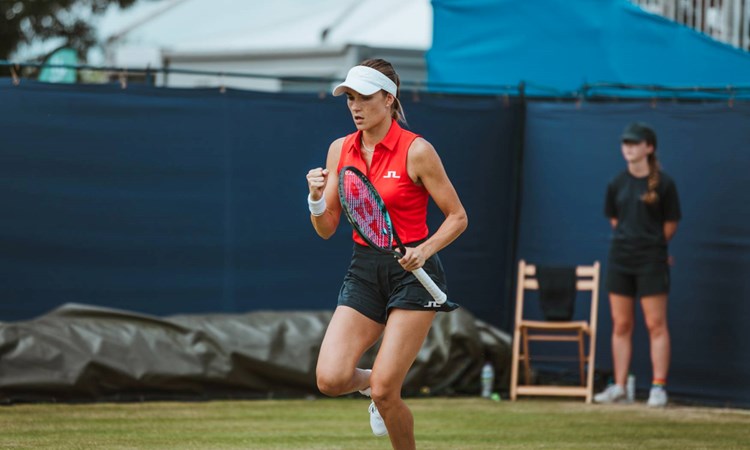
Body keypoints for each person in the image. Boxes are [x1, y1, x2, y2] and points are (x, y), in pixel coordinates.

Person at [305, 59, 468, 450]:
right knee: (330, 379)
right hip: (364, 271)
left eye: (364, 97)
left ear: (388, 98)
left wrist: (424, 249)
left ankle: (382, 395)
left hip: (415, 274)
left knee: (386, 391)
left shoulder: (418, 150)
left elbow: (458, 217)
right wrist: (313, 198)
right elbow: (327, 227)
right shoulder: (339, 149)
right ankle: (373, 387)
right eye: (349, 99)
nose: (355, 106)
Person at [594, 122, 681, 407]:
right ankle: (620, 387)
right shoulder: (616, 183)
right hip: (620, 258)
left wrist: (652, 246)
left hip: (652, 260)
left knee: (655, 323)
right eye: (625, 143)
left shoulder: (665, 184)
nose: (628, 148)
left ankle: (658, 387)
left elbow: (670, 225)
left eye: (635, 143)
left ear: (649, 147)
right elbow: (616, 221)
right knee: (621, 324)